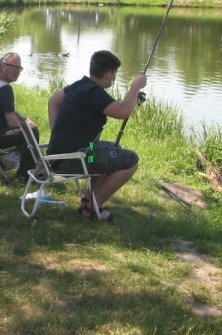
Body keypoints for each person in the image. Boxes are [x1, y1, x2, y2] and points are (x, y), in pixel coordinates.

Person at [47, 50, 147, 222]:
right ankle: (93, 206)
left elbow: (53, 101)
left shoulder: (80, 85)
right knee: (131, 161)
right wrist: (136, 86)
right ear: (108, 73)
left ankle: (87, 199)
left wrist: (57, 132)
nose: (114, 77)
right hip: (75, 159)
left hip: (72, 152)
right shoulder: (94, 93)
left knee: (113, 151)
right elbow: (123, 111)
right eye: (114, 73)